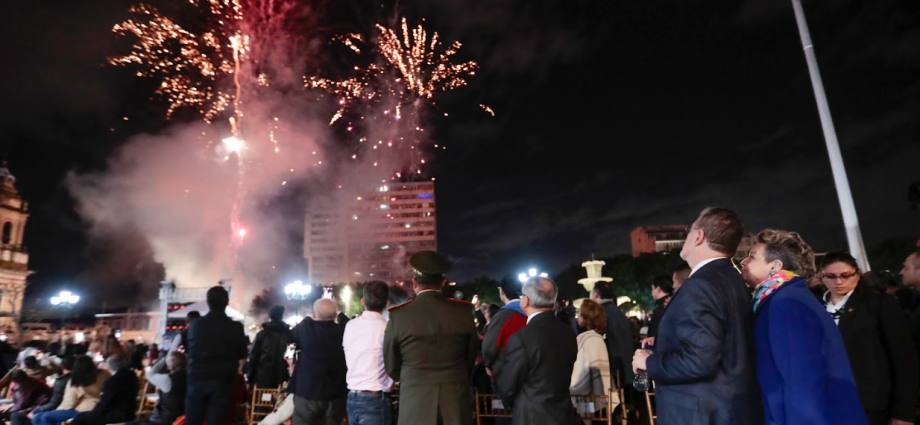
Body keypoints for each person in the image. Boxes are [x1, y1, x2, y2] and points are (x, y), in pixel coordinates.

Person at [632, 207, 763, 425]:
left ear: (699, 236)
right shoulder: (732, 278)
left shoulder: (700, 285)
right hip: (728, 407)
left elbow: (699, 360)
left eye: (688, 230)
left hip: (700, 413)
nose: (686, 236)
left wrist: (650, 362)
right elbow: (722, 342)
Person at [741, 230, 867, 425]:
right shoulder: (785, 297)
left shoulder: (786, 303)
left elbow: (801, 382)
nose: (743, 262)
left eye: (751, 256)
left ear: (775, 266)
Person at [820, 251, 918, 425]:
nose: (839, 281)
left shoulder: (880, 303)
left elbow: (903, 359)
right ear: (821, 276)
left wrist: (903, 412)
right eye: (831, 276)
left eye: (846, 275)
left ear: (857, 274)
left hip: (870, 403)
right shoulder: (815, 307)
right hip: (827, 402)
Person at [383, 251, 477, 425]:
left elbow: (391, 364)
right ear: (443, 283)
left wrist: (410, 376)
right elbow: (470, 357)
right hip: (455, 400)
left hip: (415, 402)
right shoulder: (464, 312)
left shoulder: (398, 316)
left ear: (414, 283)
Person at [494, 277, 579, 425]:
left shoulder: (521, 338)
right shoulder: (568, 332)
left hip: (531, 416)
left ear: (525, 301)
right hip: (564, 414)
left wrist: (512, 406)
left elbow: (508, 385)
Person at [185, 286, 248, 425]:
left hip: (197, 377)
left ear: (207, 302)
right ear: (227, 302)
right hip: (222, 380)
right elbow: (242, 353)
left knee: (192, 420)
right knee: (216, 420)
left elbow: (191, 350)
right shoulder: (236, 327)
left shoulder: (195, 325)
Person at [342, 281, 393, 425]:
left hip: (352, 396)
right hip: (376, 399)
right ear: (387, 304)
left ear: (363, 302)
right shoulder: (387, 329)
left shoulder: (350, 326)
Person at [291, 298, 347, 425]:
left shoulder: (305, 329)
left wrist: (312, 316)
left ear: (313, 314)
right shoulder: (343, 331)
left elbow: (303, 323)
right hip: (335, 393)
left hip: (307, 391)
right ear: (334, 315)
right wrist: (340, 314)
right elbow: (348, 323)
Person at [570, 299, 614, 421]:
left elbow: (579, 375)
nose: (577, 316)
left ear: (585, 318)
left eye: (579, 313)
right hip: (602, 398)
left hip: (589, 401)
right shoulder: (598, 338)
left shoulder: (584, 339)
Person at [32, 355, 109, 425]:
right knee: (40, 418)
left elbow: (69, 403)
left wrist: (56, 411)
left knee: (43, 417)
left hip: (84, 410)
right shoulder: (103, 374)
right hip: (103, 407)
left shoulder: (77, 380)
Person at [71, 353, 139, 425]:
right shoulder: (132, 376)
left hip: (115, 415)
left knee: (79, 419)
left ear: (109, 366)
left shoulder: (112, 381)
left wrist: (93, 414)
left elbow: (104, 403)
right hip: (130, 413)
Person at [482, 277, 527, 381]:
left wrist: (489, 365)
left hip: (509, 373)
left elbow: (489, 346)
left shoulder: (502, 317)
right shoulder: (531, 311)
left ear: (501, 291)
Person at [590, 281, 634, 386]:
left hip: (612, 368)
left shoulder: (601, 313)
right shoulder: (618, 312)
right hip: (625, 366)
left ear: (596, 294)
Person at [12, 356, 75, 425]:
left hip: (53, 406)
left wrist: (35, 411)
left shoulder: (62, 382)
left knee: (21, 416)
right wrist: (45, 358)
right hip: (45, 402)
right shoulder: (43, 371)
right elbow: (54, 368)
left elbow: (54, 403)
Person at [129, 351, 187, 425]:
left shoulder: (167, 379)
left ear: (168, 365)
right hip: (181, 418)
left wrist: (163, 359)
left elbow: (150, 374)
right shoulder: (190, 376)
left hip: (165, 420)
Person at [249, 306, 294, 389]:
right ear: (281, 316)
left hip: (263, 376)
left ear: (269, 316)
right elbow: (291, 356)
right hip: (283, 376)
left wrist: (250, 377)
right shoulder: (289, 335)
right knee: (280, 399)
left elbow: (253, 355)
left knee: (262, 399)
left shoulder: (262, 334)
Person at [646, 276, 673, 340]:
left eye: (652, 289)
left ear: (658, 289)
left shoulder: (663, 307)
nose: (652, 292)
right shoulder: (674, 302)